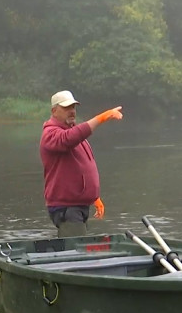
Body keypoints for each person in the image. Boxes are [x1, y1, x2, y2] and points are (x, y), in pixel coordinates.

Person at [40, 90, 123, 237]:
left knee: (79, 249)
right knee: (76, 252)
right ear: (54, 111)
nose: (71, 111)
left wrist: (92, 196)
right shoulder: (51, 134)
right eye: (66, 108)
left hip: (78, 206)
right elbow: (68, 138)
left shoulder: (73, 132)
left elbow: (80, 167)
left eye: (73, 107)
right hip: (66, 208)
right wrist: (101, 118)